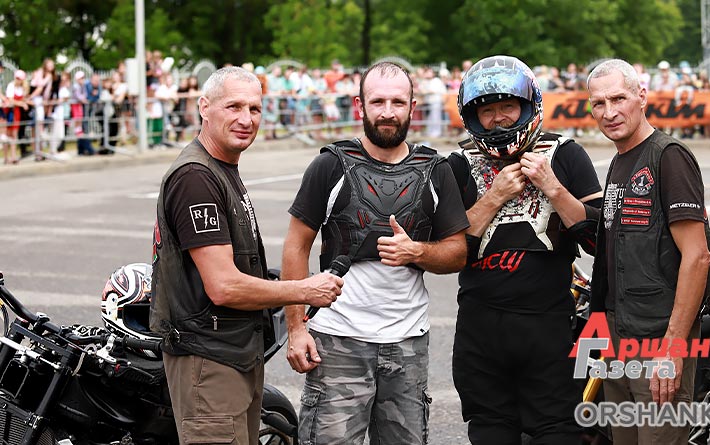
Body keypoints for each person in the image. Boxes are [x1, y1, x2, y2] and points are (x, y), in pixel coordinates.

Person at [149, 66, 344, 445]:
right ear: (204, 107)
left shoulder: (221, 168)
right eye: (234, 106)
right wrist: (303, 289)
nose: (246, 119)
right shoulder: (196, 178)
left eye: (254, 109)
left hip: (232, 357)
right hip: (209, 363)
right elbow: (223, 286)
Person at [281, 61, 470, 445]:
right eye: (378, 102)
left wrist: (415, 251)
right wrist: (296, 328)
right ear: (359, 106)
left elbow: (457, 253)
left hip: (407, 343)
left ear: (412, 107)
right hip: (337, 340)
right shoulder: (329, 166)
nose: (387, 112)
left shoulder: (435, 170)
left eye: (397, 102)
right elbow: (296, 246)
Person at [446, 55, 603, 445]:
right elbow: (445, 251)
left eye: (507, 106)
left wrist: (553, 187)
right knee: (489, 429)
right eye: (487, 111)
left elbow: (601, 241)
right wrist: (494, 196)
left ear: (529, 105)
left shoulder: (565, 154)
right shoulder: (458, 165)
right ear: (472, 116)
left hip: (547, 324)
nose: (498, 119)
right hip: (480, 328)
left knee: (558, 430)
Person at [586, 59, 710, 444]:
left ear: (642, 96)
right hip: (618, 335)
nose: (609, 112)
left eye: (618, 98)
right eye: (599, 104)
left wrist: (673, 347)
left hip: (658, 338)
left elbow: (697, 256)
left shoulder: (668, 156)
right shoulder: (620, 159)